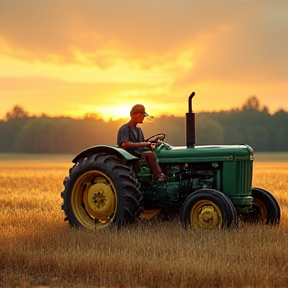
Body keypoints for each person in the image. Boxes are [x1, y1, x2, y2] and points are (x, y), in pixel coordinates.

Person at [117, 104, 166, 182]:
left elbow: (143, 146)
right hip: (128, 157)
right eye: (143, 115)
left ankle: (156, 176)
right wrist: (143, 144)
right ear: (137, 115)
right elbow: (124, 144)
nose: (144, 117)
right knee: (150, 154)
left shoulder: (138, 130)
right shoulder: (124, 129)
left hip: (138, 154)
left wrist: (152, 145)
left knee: (153, 152)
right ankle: (159, 176)